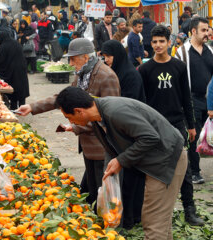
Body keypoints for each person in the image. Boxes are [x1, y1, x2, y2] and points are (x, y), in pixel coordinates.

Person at [54, 86, 187, 240]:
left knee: (153, 222)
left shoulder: (115, 112)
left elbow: (150, 137)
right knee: (160, 223)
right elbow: (112, 147)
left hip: (167, 159)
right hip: (157, 159)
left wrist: (121, 160)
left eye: (68, 117)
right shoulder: (98, 116)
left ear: (79, 111)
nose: (71, 122)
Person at [16, 38, 120, 207]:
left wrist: (76, 126)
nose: (71, 63)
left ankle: (110, 227)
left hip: (102, 145)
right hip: (89, 146)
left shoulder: (106, 76)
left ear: (86, 57)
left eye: (73, 59)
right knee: (93, 191)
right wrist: (32, 107)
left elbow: (109, 116)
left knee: (105, 193)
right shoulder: (83, 75)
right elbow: (64, 97)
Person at [139, 25, 204, 226]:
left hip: (176, 124)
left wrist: (191, 126)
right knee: (152, 168)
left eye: (162, 41)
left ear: (169, 43)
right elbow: (142, 101)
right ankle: (153, 212)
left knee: (183, 168)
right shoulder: (144, 69)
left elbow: (186, 97)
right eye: (155, 42)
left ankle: (189, 210)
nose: (158, 45)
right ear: (151, 44)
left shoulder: (178, 67)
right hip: (153, 126)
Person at [101, 39, 146, 229]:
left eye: (109, 56)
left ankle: (133, 217)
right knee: (125, 177)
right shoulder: (114, 74)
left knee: (133, 177)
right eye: (104, 56)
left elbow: (130, 105)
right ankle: (125, 216)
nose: (106, 60)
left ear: (117, 55)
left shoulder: (130, 76)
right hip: (121, 132)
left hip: (133, 132)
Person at [175, 17, 213, 184]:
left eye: (208, 30)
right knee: (194, 134)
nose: (207, 34)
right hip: (191, 99)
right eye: (203, 30)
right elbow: (178, 79)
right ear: (193, 31)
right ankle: (195, 171)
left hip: (209, 100)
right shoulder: (182, 52)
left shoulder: (210, 51)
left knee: (211, 135)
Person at [0, 31, 30, 109]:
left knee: (13, 88)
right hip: (21, 69)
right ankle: (22, 106)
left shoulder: (3, 46)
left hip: (10, 71)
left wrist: (0, 71)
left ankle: (14, 107)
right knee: (21, 87)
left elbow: (0, 61)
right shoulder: (16, 43)